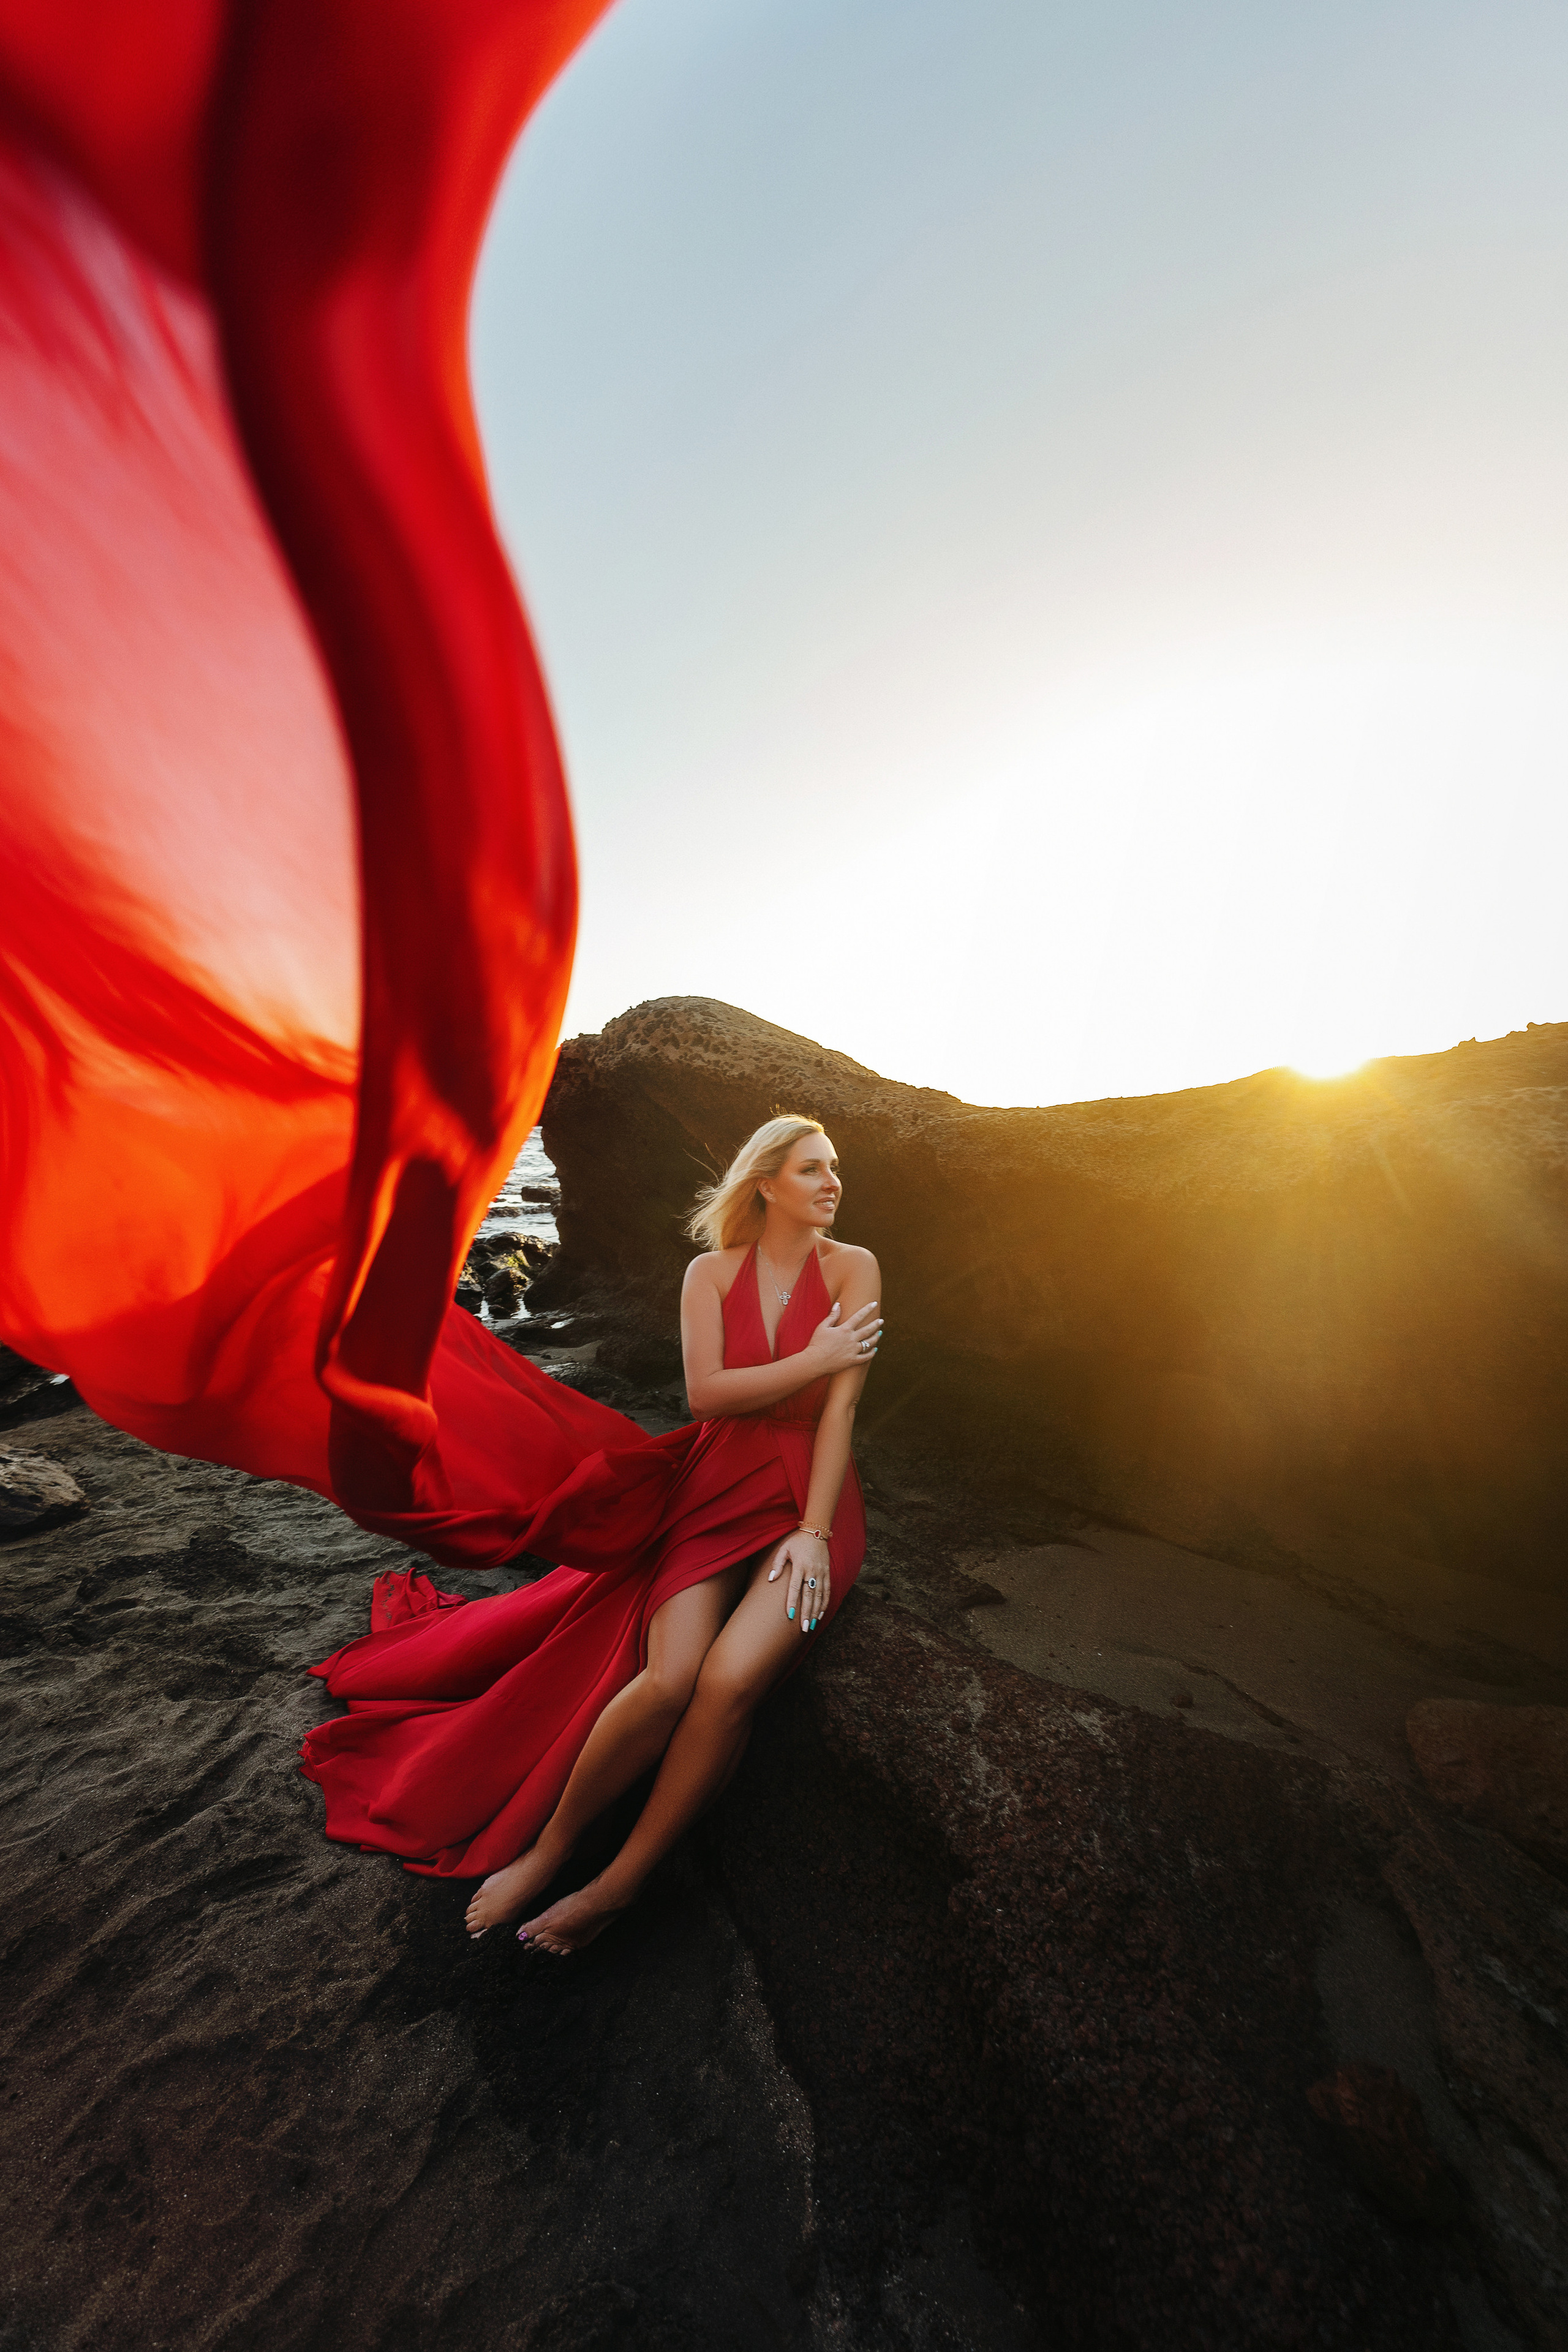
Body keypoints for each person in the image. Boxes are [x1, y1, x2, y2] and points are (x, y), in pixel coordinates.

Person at [300, 1115, 882, 1956]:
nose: (833, 1183)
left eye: (835, 1169)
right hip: (718, 1485)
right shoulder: (709, 1275)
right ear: (766, 1184)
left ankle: (617, 1886)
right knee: (668, 1678)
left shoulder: (856, 1268)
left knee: (728, 1686)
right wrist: (816, 1357)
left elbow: (843, 1410)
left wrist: (817, 1532)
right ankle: (550, 1851)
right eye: (812, 1169)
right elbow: (709, 1396)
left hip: (814, 1496)